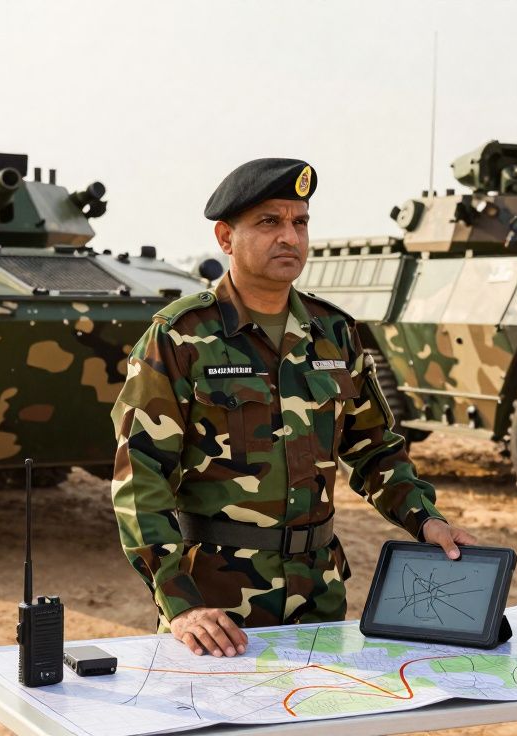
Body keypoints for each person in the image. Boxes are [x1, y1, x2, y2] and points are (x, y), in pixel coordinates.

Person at [110, 158, 477, 658]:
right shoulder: (181, 336)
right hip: (218, 609)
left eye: (299, 222)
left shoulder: (335, 333)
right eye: (269, 222)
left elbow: (375, 450)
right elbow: (140, 478)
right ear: (225, 237)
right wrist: (181, 603)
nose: (290, 237)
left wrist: (426, 519)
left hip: (320, 595)